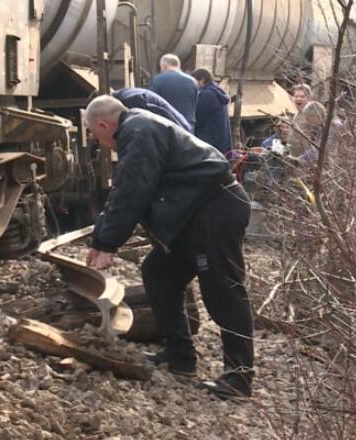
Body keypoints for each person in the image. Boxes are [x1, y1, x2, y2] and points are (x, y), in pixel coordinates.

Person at [84, 95, 254, 400]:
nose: (100, 143)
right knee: (159, 273)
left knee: (223, 289)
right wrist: (99, 240)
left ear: (103, 125)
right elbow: (122, 190)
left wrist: (108, 244)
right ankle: (180, 357)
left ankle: (239, 378)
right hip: (193, 214)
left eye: (97, 136)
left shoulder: (139, 132)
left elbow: (132, 192)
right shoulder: (136, 129)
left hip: (214, 209)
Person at [149, 54, 198, 129]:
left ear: (164, 66)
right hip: (187, 125)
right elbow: (194, 104)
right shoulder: (193, 81)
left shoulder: (157, 80)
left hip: (166, 125)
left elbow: (151, 104)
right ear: (178, 65)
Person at [111, 87, 193, 132]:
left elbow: (163, 123)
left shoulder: (133, 100)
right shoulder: (127, 95)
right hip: (182, 132)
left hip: (181, 135)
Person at [190, 68, 232, 154]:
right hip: (219, 139)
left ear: (202, 80)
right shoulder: (217, 91)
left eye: (194, 81)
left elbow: (197, 117)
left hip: (209, 140)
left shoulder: (207, 95)